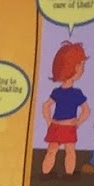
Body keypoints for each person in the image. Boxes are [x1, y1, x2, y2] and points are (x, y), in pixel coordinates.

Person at [38, 39, 89, 175]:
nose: (82, 69)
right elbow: (86, 110)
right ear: (76, 68)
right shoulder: (71, 93)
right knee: (65, 151)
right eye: (81, 65)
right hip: (64, 126)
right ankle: (61, 174)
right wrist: (77, 122)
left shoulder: (65, 92)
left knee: (56, 151)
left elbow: (46, 106)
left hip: (60, 126)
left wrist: (50, 121)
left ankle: (49, 174)